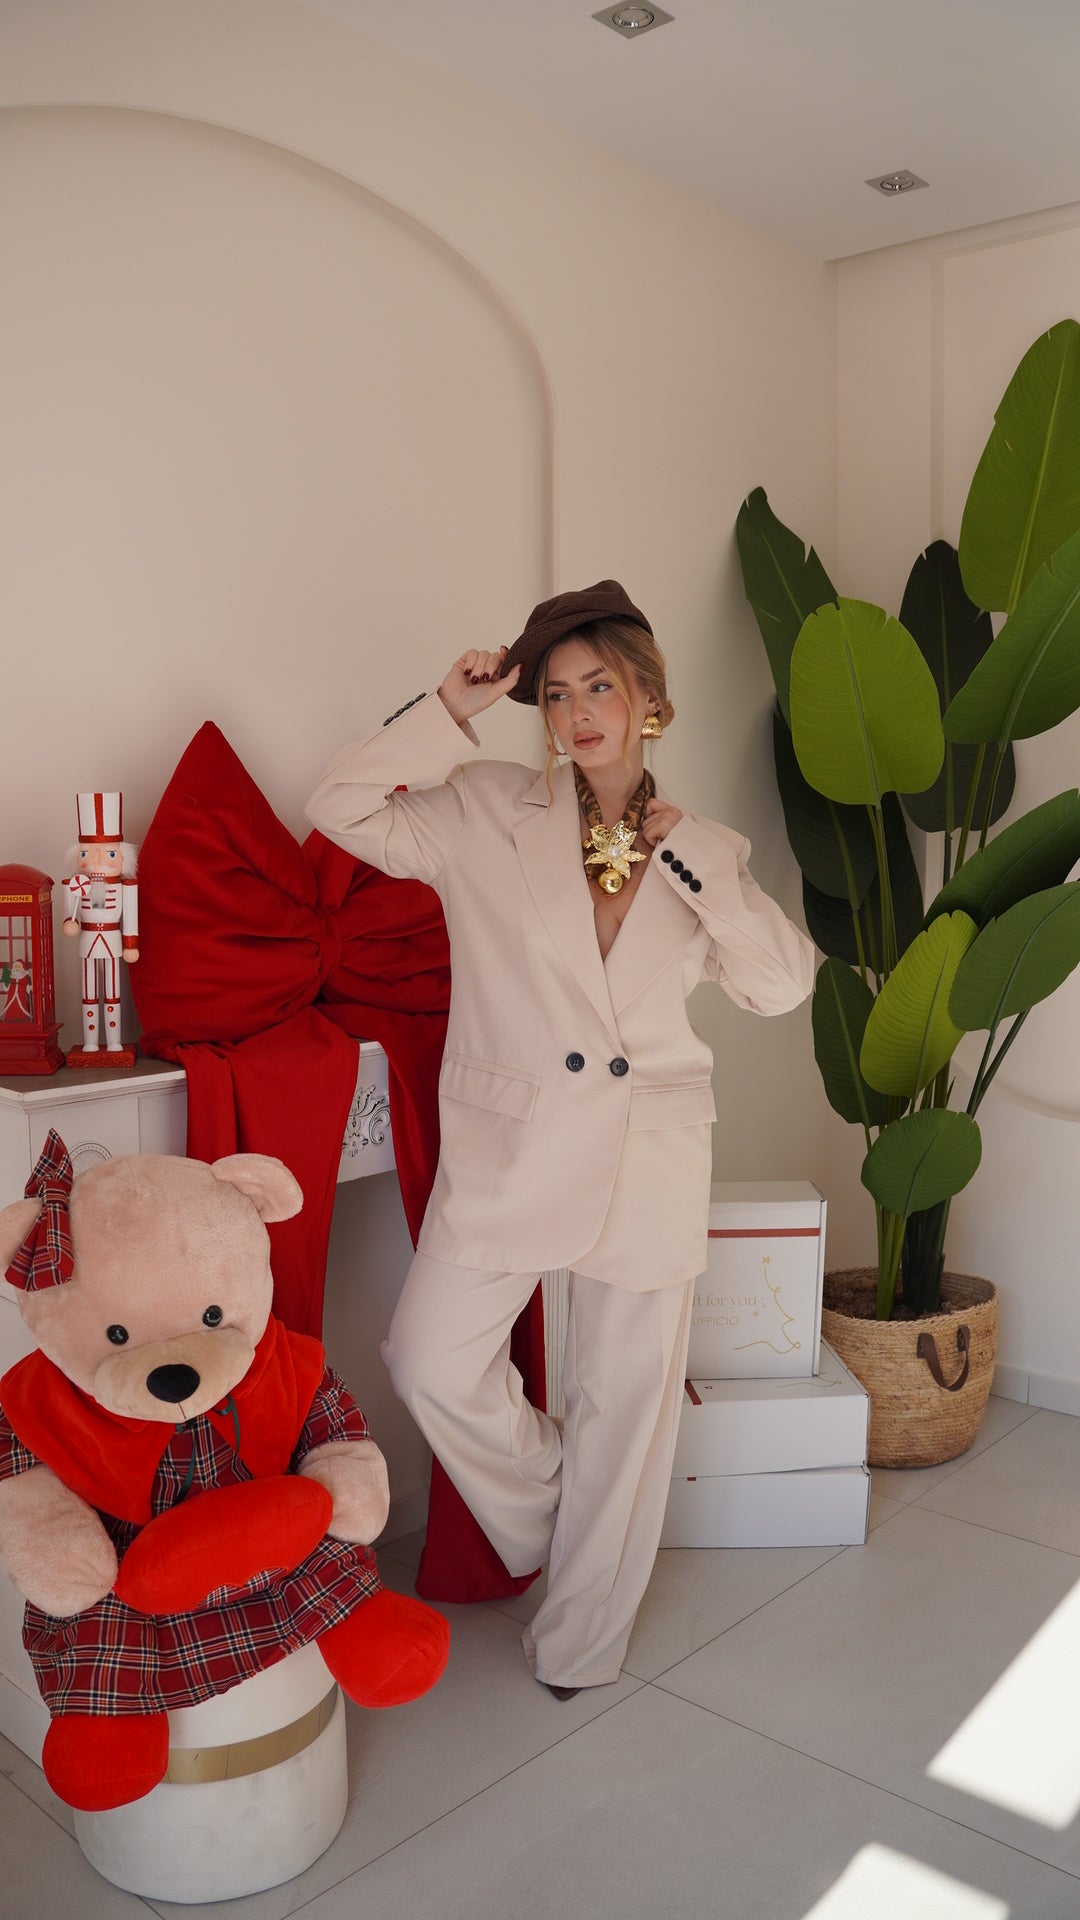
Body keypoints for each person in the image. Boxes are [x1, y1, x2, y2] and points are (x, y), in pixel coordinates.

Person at [305, 579, 814, 1699]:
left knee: (625, 1404)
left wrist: (698, 859)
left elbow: (781, 987)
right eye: (558, 695)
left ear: (649, 699)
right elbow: (338, 805)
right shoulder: (484, 808)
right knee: (429, 1358)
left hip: (647, 1153)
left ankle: (582, 1642)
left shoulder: (704, 850)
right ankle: (564, 1512)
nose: (579, 714)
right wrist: (450, 708)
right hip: (513, 1146)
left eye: (601, 687)